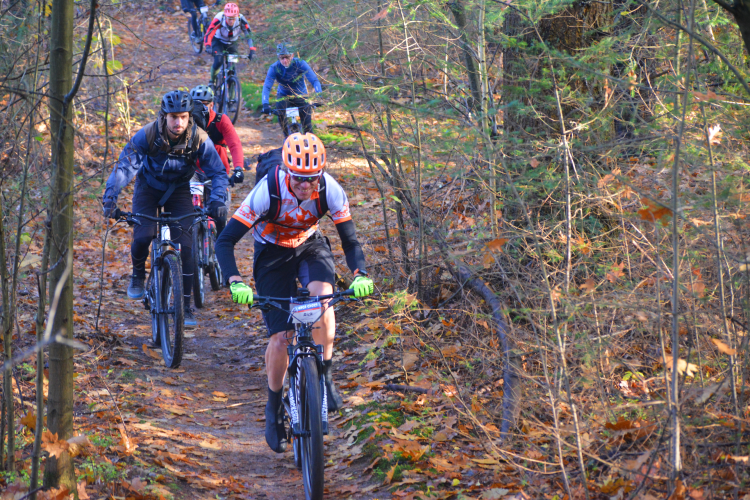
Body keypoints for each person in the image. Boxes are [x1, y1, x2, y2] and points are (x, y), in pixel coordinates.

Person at [215, 133, 374, 453]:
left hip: (310, 246)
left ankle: (324, 376)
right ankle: (273, 408)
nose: (305, 186)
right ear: (287, 172)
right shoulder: (267, 190)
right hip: (271, 253)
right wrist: (235, 281)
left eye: (311, 179)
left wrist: (360, 275)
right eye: (299, 179)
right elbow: (225, 241)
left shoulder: (330, 189)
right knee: (280, 337)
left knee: (324, 303)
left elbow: (351, 242)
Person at [102, 90, 229, 328]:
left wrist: (218, 200)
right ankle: (138, 274)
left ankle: (187, 305)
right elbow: (124, 167)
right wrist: (110, 198)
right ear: (164, 116)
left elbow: (218, 172)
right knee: (143, 235)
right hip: (148, 187)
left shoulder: (199, 137)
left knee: (188, 247)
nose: (178, 122)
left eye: (182, 116)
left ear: (189, 116)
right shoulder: (148, 134)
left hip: (179, 189)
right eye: (173, 117)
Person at [262, 43, 323, 136]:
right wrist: (265, 104)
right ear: (278, 57)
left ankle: (309, 141)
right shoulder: (274, 68)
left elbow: (314, 80)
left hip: (301, 95)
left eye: (287, 57)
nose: (285, 60)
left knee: (307, 126)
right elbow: (267, 86)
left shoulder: (300, 63)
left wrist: (319, 96)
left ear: (292, 55)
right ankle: (286, 136)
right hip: (283, 95)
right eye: (282, 58)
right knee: (280, 111)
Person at [204, 3, 255, 89]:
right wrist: (208, 46)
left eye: (233, 18)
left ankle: (231, 97)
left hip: (232, 43)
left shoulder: (241, 19)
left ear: (237, 16)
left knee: (232, 69)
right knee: (218, 61)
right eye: (229, 18)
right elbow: (209, 33)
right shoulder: (219, 18)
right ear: (225, 16)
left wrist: (252, 50)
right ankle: (212, 81)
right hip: (218, 41)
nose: (231, 21)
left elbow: (249, 35)